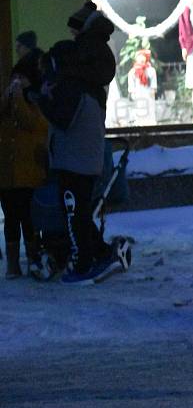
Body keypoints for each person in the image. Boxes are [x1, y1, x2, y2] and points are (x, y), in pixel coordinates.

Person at [38, 40, 120, 285]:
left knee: (75, 215)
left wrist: (42, 100)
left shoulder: (73, 88)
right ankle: (101, 254)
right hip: (82, 161)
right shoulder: (87, 87)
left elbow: (63, 120)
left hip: (75, 163)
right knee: (79, 214)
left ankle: (83, 265)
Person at [0, 49, 48, 279]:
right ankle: (19, 264)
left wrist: (17, 96)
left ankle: (26, 262)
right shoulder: (16, 98)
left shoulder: (30, 97)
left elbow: (34, 125)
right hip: (17, 169)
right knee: (18, 217)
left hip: (24, 168)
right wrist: (15, 95)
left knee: (24, 217)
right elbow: (29, 123)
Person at [64, 2, 116, 113]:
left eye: (73, 28)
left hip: (88, 99)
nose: (71, 31)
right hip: (96, 98)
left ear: (82, 27)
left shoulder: (87, 45)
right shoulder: (97, 43)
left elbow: (81, 70)